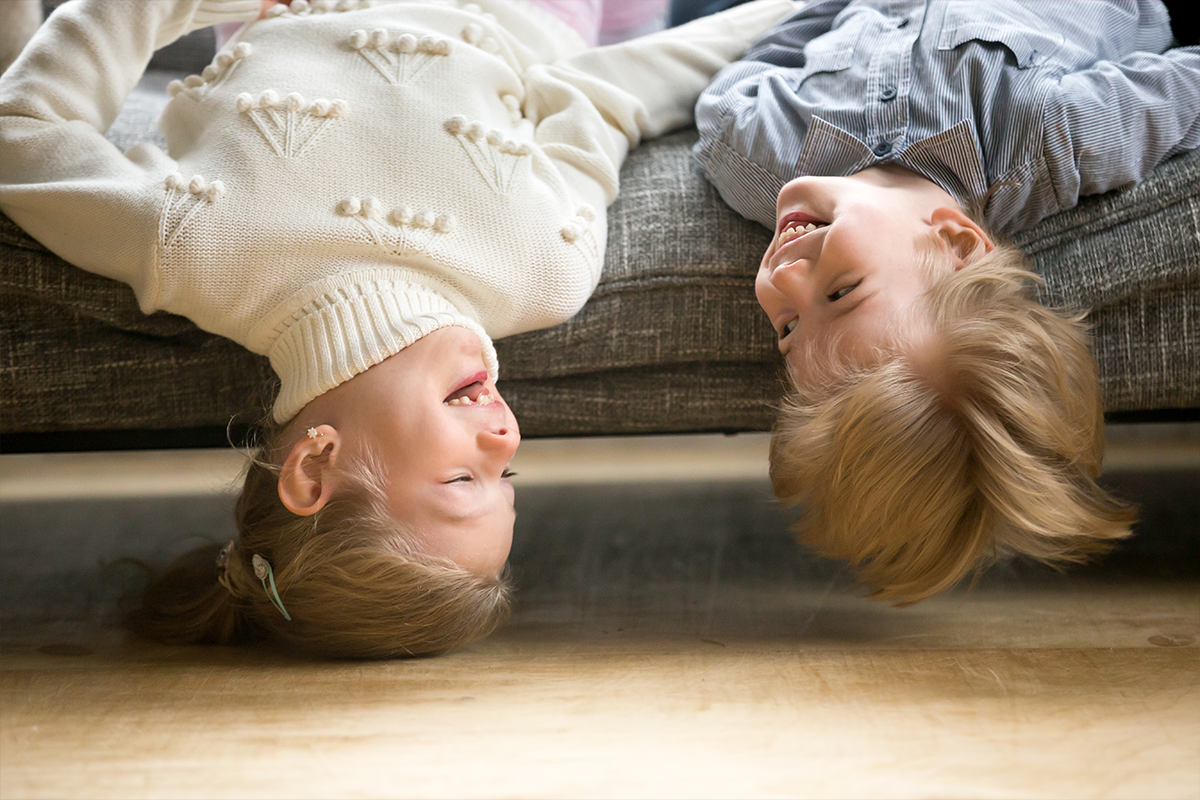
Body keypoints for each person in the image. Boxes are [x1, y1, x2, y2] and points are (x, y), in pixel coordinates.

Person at [0, 0, 795, 657]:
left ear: (315, 468)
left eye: (463, 482)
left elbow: (20, 138)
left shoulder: (198, 253)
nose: (510, 443)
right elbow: (601, 95)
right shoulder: (544, 273)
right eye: (505, 481)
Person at [692, 0, 1200, 603]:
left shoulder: (750, 150)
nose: (785, 279)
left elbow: (740, 78)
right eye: (841, 291)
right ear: (957, 242)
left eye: (787, 327)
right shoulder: (1051, 135)